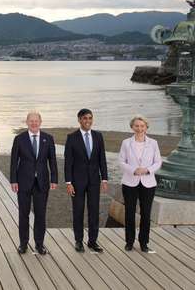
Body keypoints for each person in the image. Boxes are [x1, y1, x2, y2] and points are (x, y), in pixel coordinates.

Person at [10, 111, 57, 255]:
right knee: (23, 214)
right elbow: (13, 161)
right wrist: (13, 180)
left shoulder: (48, 139)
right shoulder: (19, 139)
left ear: (40, 122)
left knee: (40, 214)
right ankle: (23, 244)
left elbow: (53, 161)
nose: (34, 123)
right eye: (31, 121)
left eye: (36, 121)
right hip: (23, 182)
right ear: (27, 122)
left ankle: (39, 244)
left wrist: (54, 179)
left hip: (42, 183)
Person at [64, 108, 108, 253]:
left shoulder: (98, 136)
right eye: (84, 118)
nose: (87, 121)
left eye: (90, 118)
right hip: (77, 181)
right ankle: (78, 241)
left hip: (95, 180)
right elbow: (68, 162)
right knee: (78, 211)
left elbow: (102, 159)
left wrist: (105, 179)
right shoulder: (71, 137)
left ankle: (92, 241)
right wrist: (68, 182)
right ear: (79, 120)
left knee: (94, 211)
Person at [118, 115, 162, 252]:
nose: (139, 128)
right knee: (129, 213)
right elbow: (121, 161)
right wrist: (133, 170)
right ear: (132, 127)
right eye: (136, 126)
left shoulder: (153, 143)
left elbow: (158, 162)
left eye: (142, 126)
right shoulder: (126, 143)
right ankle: (129, 242)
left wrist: (147, 170)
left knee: (146, 214)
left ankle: (144, 243)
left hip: (148, 183)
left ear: (146, 127)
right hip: (130, 182)